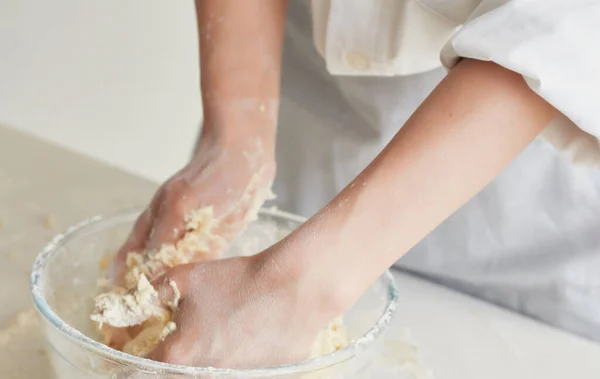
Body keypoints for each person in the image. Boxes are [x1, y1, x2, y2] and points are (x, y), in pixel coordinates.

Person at [114, 0, 600, 368]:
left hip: (531, 207)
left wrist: (297, 286)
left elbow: (562, 28)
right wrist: (237, 133)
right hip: (307, 121)